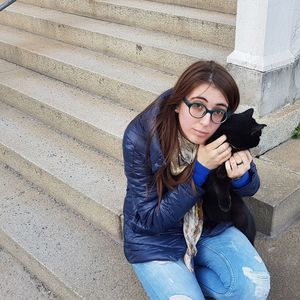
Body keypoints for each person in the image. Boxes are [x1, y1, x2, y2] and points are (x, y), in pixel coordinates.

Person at [122, 60, 270, 300]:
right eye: (198, 106)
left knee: (255, 287)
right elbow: (149, 220)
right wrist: (200, 169)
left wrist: (241, 177)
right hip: (155, 239)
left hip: (209, 226)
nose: (206, 122)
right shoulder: (140, 138)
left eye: (218, 111)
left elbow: (251, 186)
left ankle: (190, 275)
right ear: (179, 103)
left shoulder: (221, 128)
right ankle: (182, 279)